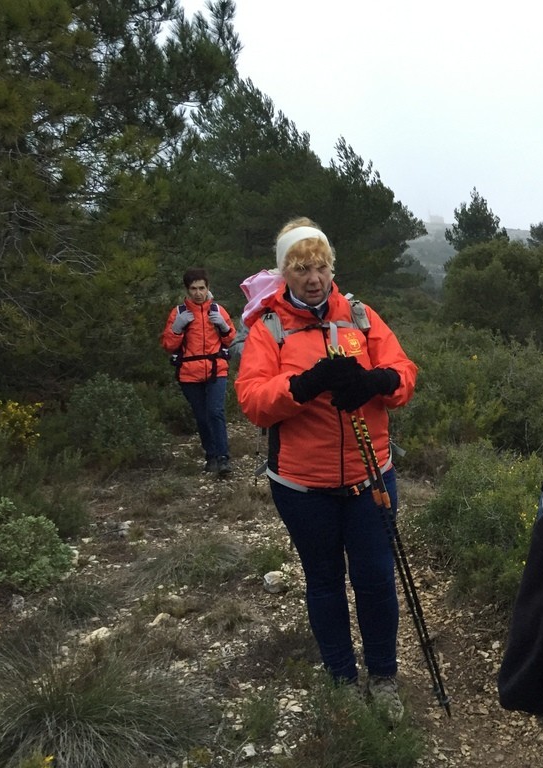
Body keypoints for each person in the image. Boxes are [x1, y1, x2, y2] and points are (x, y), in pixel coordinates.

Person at [235, 217, 418, 722]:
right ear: (284, 273)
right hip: (301, 484)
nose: (313, 278)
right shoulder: (267, 327)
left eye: (320, 266)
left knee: (378, 579)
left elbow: (404, 376)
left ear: (331, 267)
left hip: (370, 475)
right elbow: (252, 401)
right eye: (301, 268)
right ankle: (341, 677)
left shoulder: (360, 317)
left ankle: (382, 676)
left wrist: (377, 379)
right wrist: (304, 385)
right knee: (324, 581)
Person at [160, 267, 236, 475]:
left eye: (201, 288)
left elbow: (232, 341)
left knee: (215, 412)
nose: (198, 293)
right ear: (187, 290)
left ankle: (223, 458)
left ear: (208, 287)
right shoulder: (179, 313)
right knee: (202, 417)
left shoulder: (219, 311)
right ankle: (211, 455)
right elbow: (168, 345)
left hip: (215, 369)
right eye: (193, 288)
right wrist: (177, 328)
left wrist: (224, 327)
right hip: (189, 373)